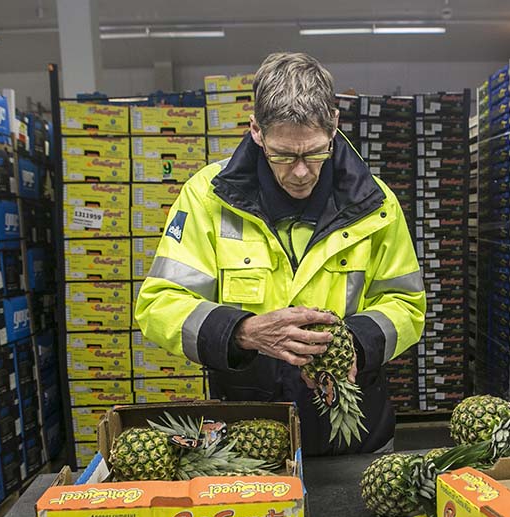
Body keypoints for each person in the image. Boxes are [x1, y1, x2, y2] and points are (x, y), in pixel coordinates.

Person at [135, 52, 425, 455]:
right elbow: (159, 305)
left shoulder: (376, 203)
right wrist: (242, 331)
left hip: (354, 432)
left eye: (315, 153)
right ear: (256, 130)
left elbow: (406, 304)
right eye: (284, 155)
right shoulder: (206, 197)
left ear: (335, 125)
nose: (301, 171)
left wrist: (352, 344)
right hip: (247, 432)